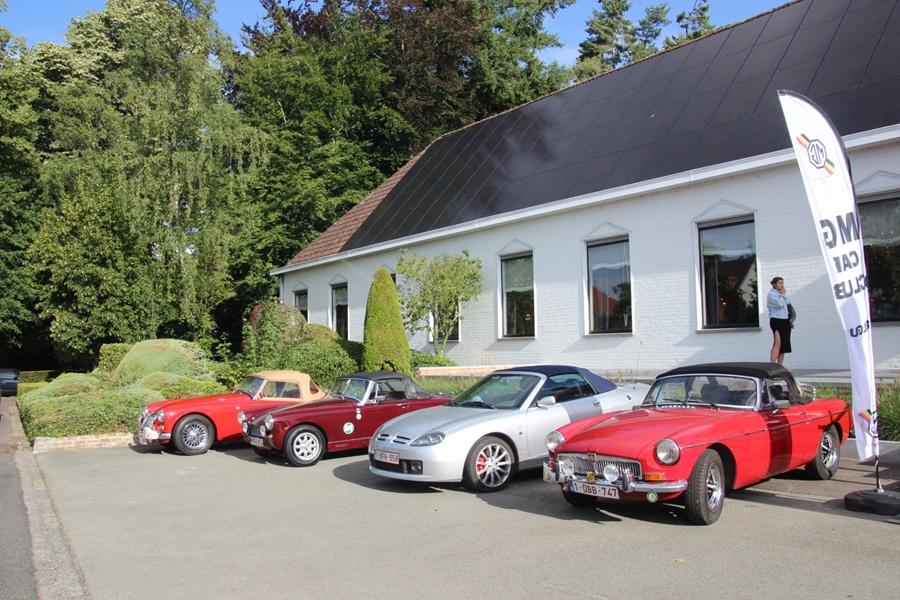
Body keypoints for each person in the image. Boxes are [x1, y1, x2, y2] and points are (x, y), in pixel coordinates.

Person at [767, 277, 794, 364]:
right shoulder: (772, 294)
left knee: (784, 345)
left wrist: (791, 320)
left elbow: (789, 308)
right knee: (777, 343)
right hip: (777, 320)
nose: (781, 285)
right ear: (774, 284)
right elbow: (779, 304)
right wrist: (783, 295)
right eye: (779, 283)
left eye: (782, 283)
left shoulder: (784, 295)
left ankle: (780, 365)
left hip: (785, 320)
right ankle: (772, 364)